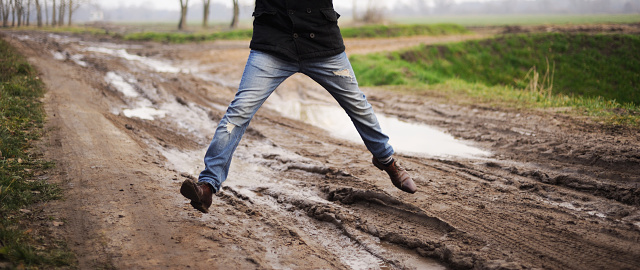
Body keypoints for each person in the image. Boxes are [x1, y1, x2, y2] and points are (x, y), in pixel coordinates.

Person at [181, 0, 417, 213]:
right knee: (238, 112)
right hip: (272, 44)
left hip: (321, 42)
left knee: (358, 105)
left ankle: (387, 161)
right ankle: (207, 187)